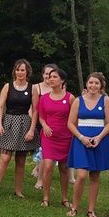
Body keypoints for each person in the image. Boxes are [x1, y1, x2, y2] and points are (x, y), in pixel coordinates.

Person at [67, 72, 109, 217]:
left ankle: (90, 210)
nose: (93, 85)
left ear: (101, 86)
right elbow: (70, 123)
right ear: (86, 84)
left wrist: (99, 138)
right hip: (81, 141)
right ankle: (74, 207)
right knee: (81, 175)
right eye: (90, 83)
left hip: (99, 141)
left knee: (95, 176)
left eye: (96, 83)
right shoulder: (78, 100)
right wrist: (81, 137)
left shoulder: (106, 100)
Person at [0, 59, 39, 199]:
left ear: (27, 71)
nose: (20, 72)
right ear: (14, 71)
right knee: (5, 158)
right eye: (17, 70)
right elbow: (0, 106)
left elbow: (35, 111)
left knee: (21, 160)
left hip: (25, 124)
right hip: (9, 123)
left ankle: (18, 190)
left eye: (22, 70)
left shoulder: (32, 89)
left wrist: (32, 129)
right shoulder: (7, 86)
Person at [36, 68, 75, 208]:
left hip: (65, 138)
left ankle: (64, 198)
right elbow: (41, 116)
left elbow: (74, 118)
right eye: (50, 76)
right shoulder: (44, 98)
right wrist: (44, 125)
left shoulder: (70, 98)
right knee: (47, 166)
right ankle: (45, 198)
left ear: (62, 80)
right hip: (48, 137)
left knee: (64, 168)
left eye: (54, 77)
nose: (51, 79)